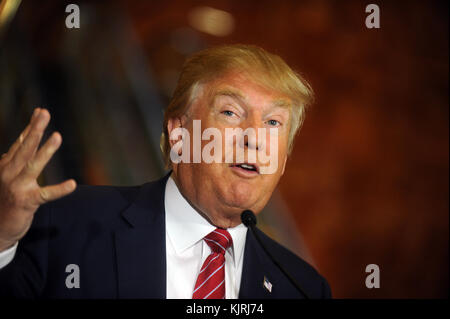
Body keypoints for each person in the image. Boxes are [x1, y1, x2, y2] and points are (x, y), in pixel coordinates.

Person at [0, 44, 331, 298]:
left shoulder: (302, 288)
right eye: (231, 112)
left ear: (284, 159)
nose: (255, 137)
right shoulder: (68, 223)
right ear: (179, 134)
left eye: (274, 122)